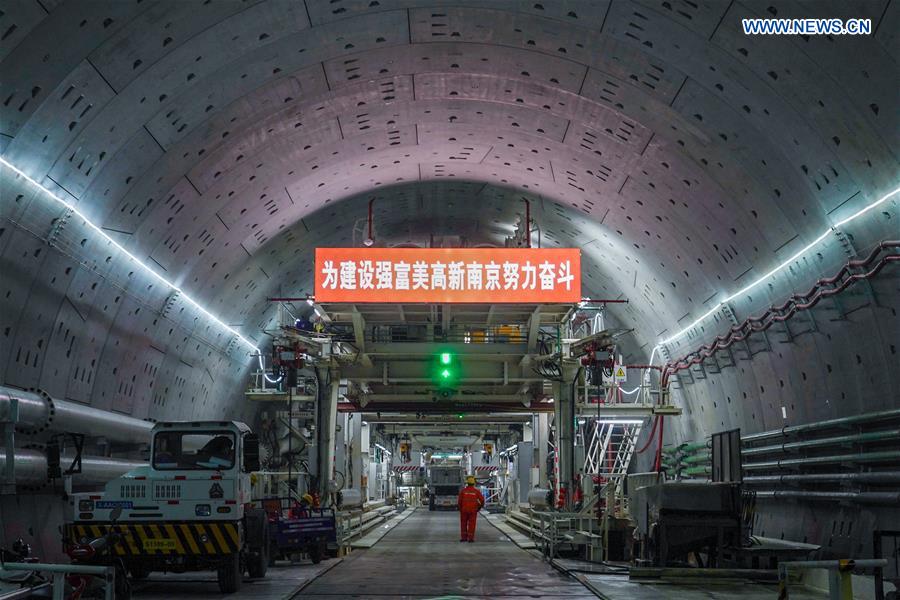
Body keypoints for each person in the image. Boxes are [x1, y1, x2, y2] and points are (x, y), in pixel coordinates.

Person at [457, 475, 485, 543]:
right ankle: (470, 538)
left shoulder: (463, 491)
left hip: (464, 510)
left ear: (467, 483)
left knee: (463, 523)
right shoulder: (476, 491)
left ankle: (464, 538)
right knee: (472, 524)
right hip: (473, 510)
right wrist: (479, 507)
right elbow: (482, 500)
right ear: (474, 483)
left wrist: (460, 509)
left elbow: (459, 501)